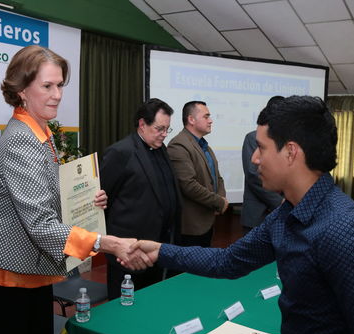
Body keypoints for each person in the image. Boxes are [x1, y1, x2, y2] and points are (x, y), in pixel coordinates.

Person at [125, 96, 354, 334]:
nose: (254, 160)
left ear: (290, 152)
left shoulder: (344, 231)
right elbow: (230, 261)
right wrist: (160, 251)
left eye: (261, 148)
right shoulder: (287, 215)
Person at [0, 45, 145, 334]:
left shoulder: (40, 132)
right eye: (47, 86)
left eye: (60, 86)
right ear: (22, 89)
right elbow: (40, 225)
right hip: (8, 280)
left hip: (29, 275)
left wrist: (85, 204)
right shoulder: (22, 140)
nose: (57, 95)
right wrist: (106, 242)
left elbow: (45, 202)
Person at [100, 98, 182, 299]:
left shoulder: (161, 149)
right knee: (124, 308)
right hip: (128, 251)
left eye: (167, 129)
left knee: (150, 302)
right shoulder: (121, 152)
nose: (164, 134)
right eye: (159, 128)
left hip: (157, 245)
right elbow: (103, 201)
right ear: (142, 124)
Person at [167, 101, 227, 247]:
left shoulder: (205, 146)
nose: (210, 120)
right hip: (191, 227)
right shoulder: (179, 145)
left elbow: (217, 178)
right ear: (191, 119)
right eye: (206, 116)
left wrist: (221, 198)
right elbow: (188, 185)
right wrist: (218, 202)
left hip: (207, 222)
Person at [241, 96, 284, 234]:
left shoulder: (288, 139)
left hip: (282, 216)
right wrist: (279, 202)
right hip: (257, 215)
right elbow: (253, 175)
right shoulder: (253, 138)